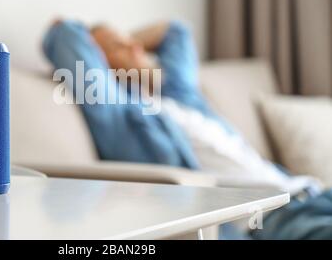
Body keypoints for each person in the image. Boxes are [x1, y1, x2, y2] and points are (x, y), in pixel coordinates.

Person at [42, 19, 332, 239]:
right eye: (118, 48)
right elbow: (66, 36)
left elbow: (176, 31)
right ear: (101, 66)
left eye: (134, 43)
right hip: (272, 221)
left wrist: (127, 44)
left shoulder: (179, 95)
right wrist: (83, 36)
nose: (135, 48)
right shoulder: (121, 114)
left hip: (311, 191)